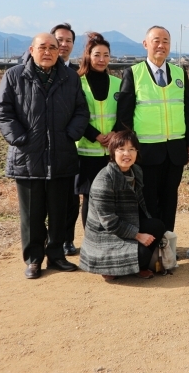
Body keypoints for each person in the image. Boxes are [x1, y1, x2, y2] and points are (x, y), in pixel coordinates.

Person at [0, 33, 90, 279]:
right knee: (32, 214)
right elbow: (3, 112)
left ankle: (56, 255)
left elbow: (81, 110)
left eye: (52, 48)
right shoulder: (14, 76)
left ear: (59, 51)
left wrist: (70, 134)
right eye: (42, 47)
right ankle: (34, 259)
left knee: (59, 211)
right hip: (27, 157)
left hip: (62, 155)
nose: (47, 52)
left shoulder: (69, 77)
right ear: (31, 49)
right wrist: (20, 139)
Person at [115, 26, 189, 232]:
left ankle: (167, 246)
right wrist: (128, 149)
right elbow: (124, 116)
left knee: (170, 200)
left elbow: (188, 110)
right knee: (148, 201)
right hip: (146, 151)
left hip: (175, 151)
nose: (161, 45)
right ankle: (152, 249)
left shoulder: (179, 73)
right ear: (146, 44)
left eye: (166, 41)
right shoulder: (133, 73)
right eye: (156, 40)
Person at [79, 130, 166, 281]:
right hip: (105, 236)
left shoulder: (136, 171)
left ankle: (137, 266)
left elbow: (141, 206)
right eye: (121, 149)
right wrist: (138, 236)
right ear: (112, 152)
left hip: (125, 225)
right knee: (143, 253)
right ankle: (108, 266)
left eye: (131, 149)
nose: (127, 154)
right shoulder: (104, 180)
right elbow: (109, 222)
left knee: (157, 226)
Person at [75, 32, 119, 230]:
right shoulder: (77, 82)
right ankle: (91, 241)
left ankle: (111, 240)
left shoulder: (118, 83)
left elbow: (125, 114)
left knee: (112, 196)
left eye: (106, 55)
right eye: (97, 55)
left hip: (113, 151)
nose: (102, 59)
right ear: (88, 56)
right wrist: (94, 135)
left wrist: (114, 134)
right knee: (90, 197)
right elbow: (73, 114)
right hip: (87, 150)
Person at [51, 23, 80, 255]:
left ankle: (67, 240)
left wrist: (72, 134)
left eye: (68, 40)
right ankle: (48, 241)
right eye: (59, 40)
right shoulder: (31, 70)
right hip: (40, 147)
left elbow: (82, 109)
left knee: (71, 198)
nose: (63, 44)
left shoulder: (78, 73)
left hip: (71, 145)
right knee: (44, 198)